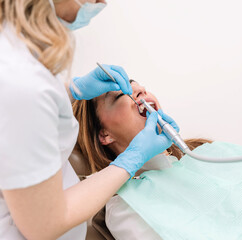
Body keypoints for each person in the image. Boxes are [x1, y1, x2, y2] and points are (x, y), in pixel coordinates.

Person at [72, 81, 242, 240]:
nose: (139, 90)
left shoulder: (205, 154)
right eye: (121, 95)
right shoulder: (125, 205)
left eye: (137, 83)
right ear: (104, 134)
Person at [0, 1, 175, 239]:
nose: (101, 3)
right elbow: (43, 224)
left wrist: (71, 90)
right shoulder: (21, 80)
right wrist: (130, 159)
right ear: (104, 135)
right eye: (122, 95)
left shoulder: (19, 64)